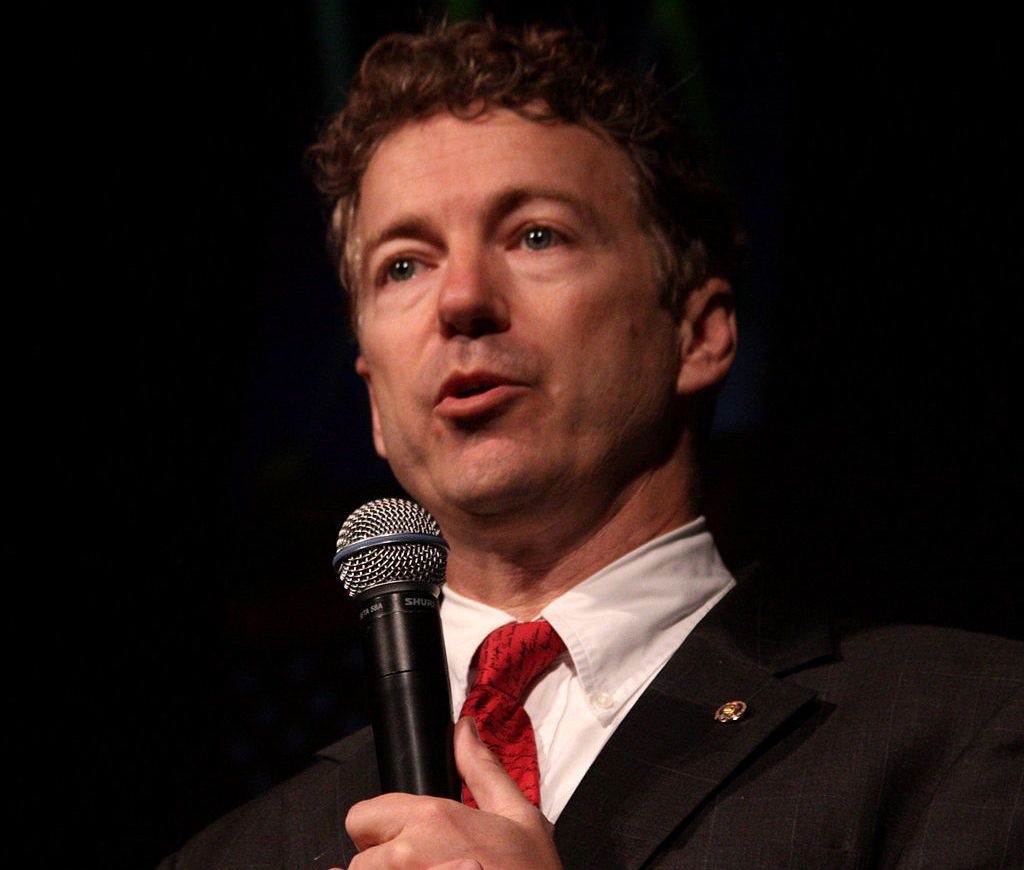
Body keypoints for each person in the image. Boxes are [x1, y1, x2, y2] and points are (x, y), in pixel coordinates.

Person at [161, 20, 1022, 869]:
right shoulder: (234, 856)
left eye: (537, 235)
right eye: (405, 265)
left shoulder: (966, 724)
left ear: (698, 333)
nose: (460, 300)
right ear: (373, 400)